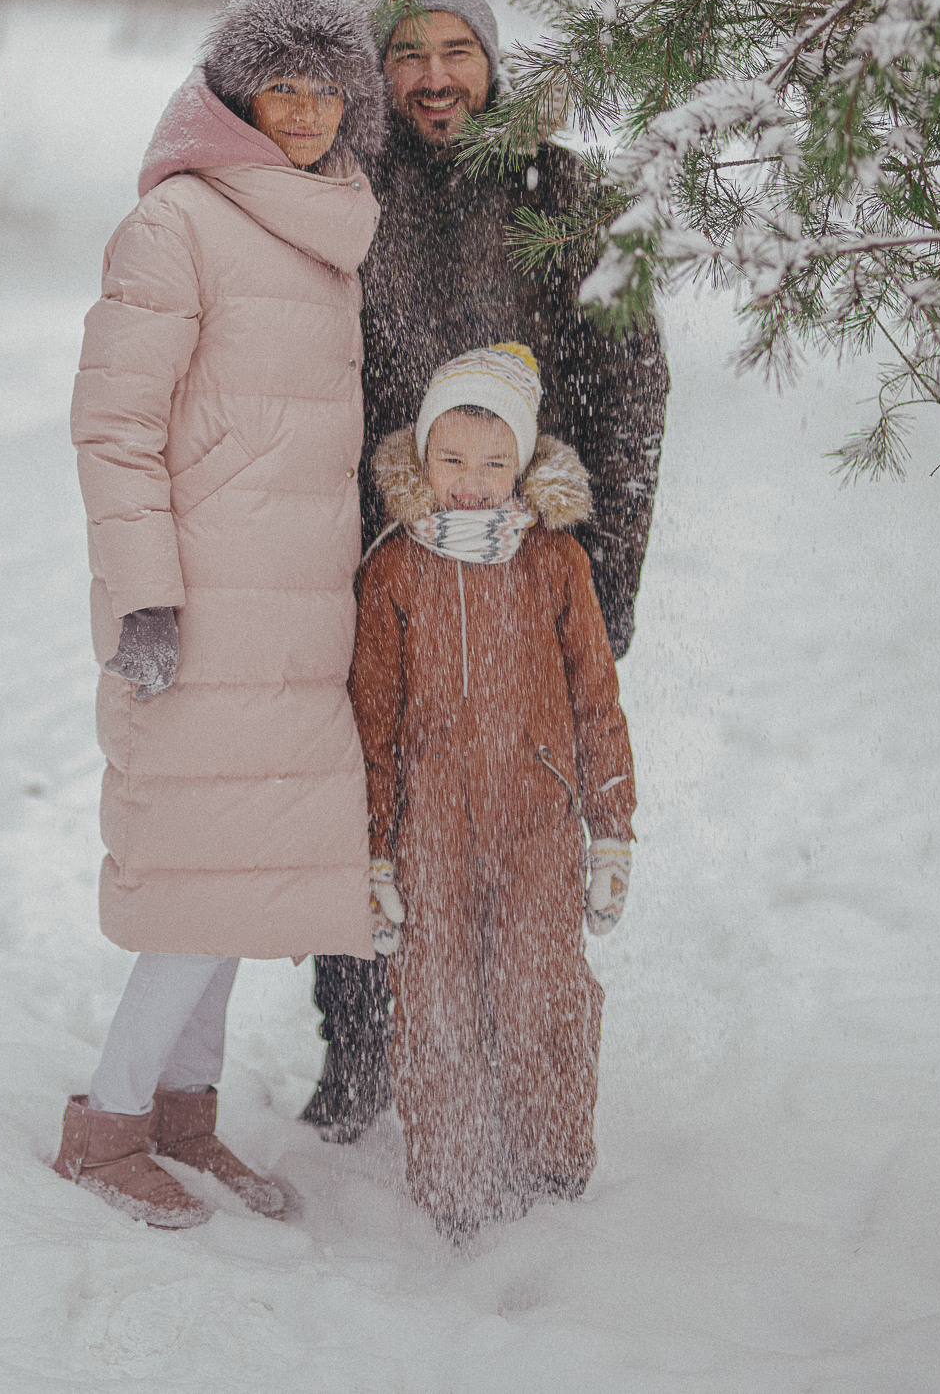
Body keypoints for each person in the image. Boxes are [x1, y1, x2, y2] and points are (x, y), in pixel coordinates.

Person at [303, 0, 668, 1143]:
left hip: (527, 564)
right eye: (405, 53)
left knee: (515, 820)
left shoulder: (558, 190)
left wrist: (602, 577)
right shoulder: (345, 193)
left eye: (455, 49)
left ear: (493, 58)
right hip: (380, 562)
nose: (432, 77)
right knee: (363, 798)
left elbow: (629, 387)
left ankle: (528, 1059)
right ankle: (359, 1043)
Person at [56, 0, 384, 1227]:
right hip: (201, 615)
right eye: (279, 85)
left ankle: (185, 1117)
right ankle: (109, 1119)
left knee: (243, 880)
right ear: (236, 93)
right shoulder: (179, 223)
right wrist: (145, 599)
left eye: (323, 86)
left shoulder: (329, 215)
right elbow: (116, 426)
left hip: (297, 617)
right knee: (201, 883)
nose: (303, 109)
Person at [348, 343, 637, 1240]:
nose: (470, 484)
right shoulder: (394, 567)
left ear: (523, 462)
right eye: (451, 461)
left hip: (537, 825)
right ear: (421, 457)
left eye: (493, 463)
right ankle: (456, 1182)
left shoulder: (555, 563)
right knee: (435, 1000)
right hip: (430, 826)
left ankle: (550, 1167)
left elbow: (596, 698)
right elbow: (373, 720)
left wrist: (610, 830)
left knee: (535, 990)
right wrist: (373, 852)